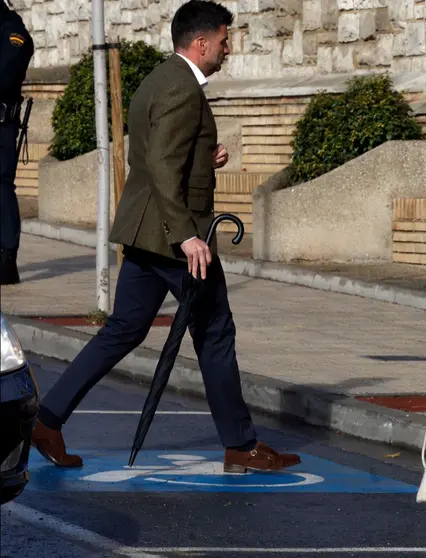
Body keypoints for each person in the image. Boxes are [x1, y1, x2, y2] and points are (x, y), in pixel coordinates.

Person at [30, 0, 300, 473]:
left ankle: (47, 421)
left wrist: (203, 158)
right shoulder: (182, 88)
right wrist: (187, 237)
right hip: (174, 237)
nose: (227, 49)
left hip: (145, 232)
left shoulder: (159, 79)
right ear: (200, 43)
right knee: (215, 332)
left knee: (122, 331)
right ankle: (241, 446)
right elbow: (159, 165)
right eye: (223, 40)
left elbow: (162, 150)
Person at [0, 0, 33, 285]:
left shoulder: (13, 31)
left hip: (1, 126)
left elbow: (5, 76)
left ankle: (6, 259)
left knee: (1, 186)